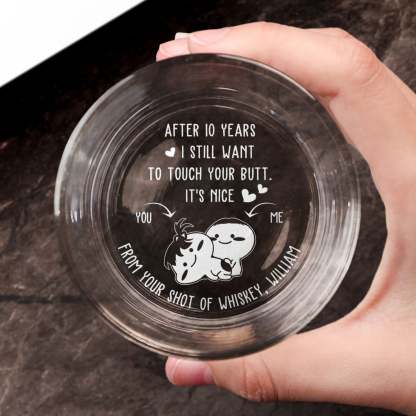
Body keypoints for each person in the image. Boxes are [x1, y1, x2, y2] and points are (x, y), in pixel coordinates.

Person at [156, 22, 416, 414]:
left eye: (227, 239)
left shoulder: (217, 255)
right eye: (224, 240)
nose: (216, 241)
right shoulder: (206, 257)